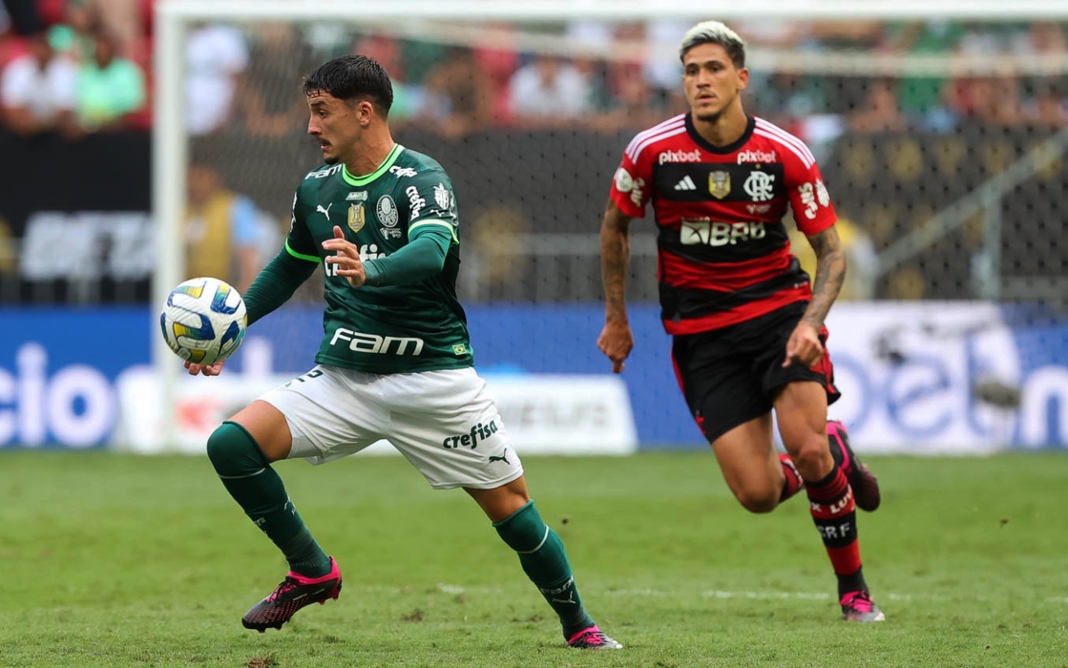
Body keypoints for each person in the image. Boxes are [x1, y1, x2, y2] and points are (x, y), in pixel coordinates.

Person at [183, 54, 622, 650]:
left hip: (434, 378)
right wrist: (231, 326)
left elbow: (432, 251)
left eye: (322, 113)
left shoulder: (422, 178)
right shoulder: (316, 189)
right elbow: (290, 266)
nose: (311, 127)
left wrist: (374, 268)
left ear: (364, 113)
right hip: (345, 378)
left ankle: (580, 626)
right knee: (230, 444)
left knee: (514, 514)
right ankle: (312, 569)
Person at [596, 20, 886, 623]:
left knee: (804, 449)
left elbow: (831, 251)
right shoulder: (651, 151)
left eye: (714, 69)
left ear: (741, 78)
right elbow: (614, 226)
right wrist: (617, 317)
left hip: (779, 316)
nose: (701, 81)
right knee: (757, 495)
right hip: (701, 336)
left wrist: (811, 321)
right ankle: (836, 450)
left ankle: (854, 591)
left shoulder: (784, 153)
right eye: (692, 71)